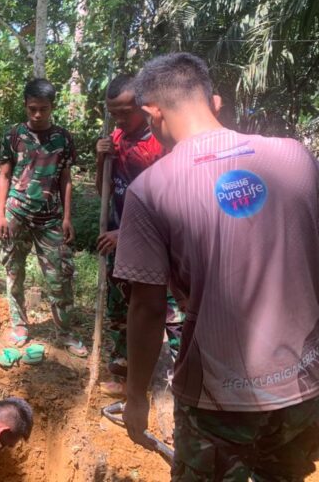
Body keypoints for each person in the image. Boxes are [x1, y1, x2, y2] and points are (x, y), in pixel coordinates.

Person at [115, 53, 319, 480]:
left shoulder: (150, 190)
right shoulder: (297, 158)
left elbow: (147, 308)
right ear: (215, 102)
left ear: (153, 113)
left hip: (218, 398)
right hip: (305, 385)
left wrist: (136, 397)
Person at [94, 73, 183, 396]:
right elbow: (103, 189)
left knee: (171, 314)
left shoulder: (162, 143)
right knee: (121, 310)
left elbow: (168, 201)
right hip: (120, 240)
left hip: (157, 242)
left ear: (144, 106)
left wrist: (124, 232)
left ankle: (184, 381)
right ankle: (125, 374)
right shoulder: (116, 138)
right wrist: (101, 158)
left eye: (125, 112)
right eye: (113, 113)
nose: (119, 119)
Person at [0, 78, 86, 357]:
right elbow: (4, 175)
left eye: (43, 109)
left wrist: (67, 217)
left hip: (51, 219)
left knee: (60, 276)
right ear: (25, 105)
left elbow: (66, 179)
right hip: (16, 214)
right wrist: (0, 216)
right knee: (14, 272)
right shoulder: (13, 135)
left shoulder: (63, 138)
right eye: (32, 108)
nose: (37, 114)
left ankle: (64, 332)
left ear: (52, 107)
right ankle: (19, 325)